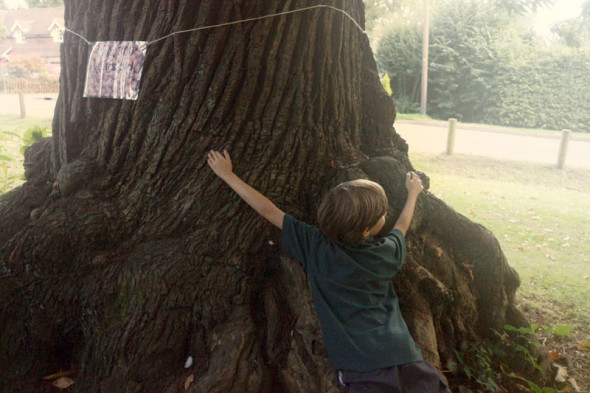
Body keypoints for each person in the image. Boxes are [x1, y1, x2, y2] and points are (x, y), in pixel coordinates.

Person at [207, 149, 448, 393]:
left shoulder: (314, 246)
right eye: (382, 214)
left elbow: (268, 210)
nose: (386, 215)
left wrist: (227, 175)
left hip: (362, 366)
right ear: (366, 230)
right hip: (404, 355)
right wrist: (413, 193)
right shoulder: (384, 253)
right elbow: (402, 225)